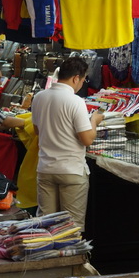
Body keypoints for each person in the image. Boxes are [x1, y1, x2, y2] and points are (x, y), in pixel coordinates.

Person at [31, 57, 103, 230]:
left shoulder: (39, 97)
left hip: (46, 169)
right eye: (83, 79)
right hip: (71, 170)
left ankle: (45, 256)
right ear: (76, 78)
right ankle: (71, 257)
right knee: (70, 229)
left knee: (46, 225)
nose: (82, 84)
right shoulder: (75, 101)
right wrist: (94, 120)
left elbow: (37, 130)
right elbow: (86, 139)